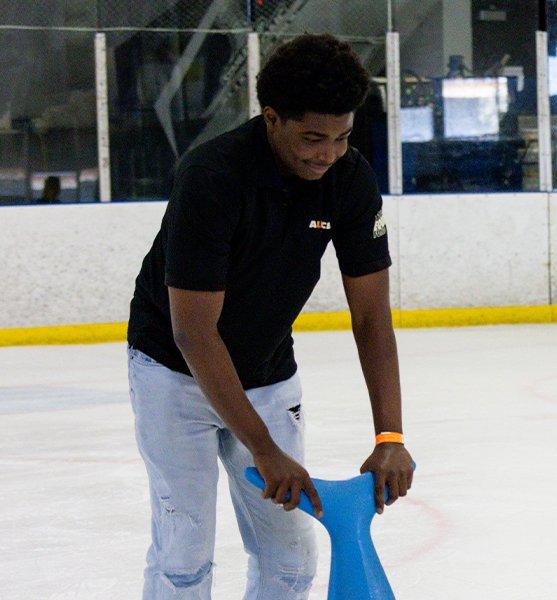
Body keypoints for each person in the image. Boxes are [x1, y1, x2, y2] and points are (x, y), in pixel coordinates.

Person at [126, 34, 415, 599]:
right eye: (312, 137)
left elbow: (372, 321)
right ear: (272, 117)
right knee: (184, 549)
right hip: (172, 371)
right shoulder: (212, 177)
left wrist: (390, 434)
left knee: (290, 557)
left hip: (266, 371)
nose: (327, 153)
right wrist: (262, 448)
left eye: (341, 137)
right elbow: (193, 331)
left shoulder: (349, 179)